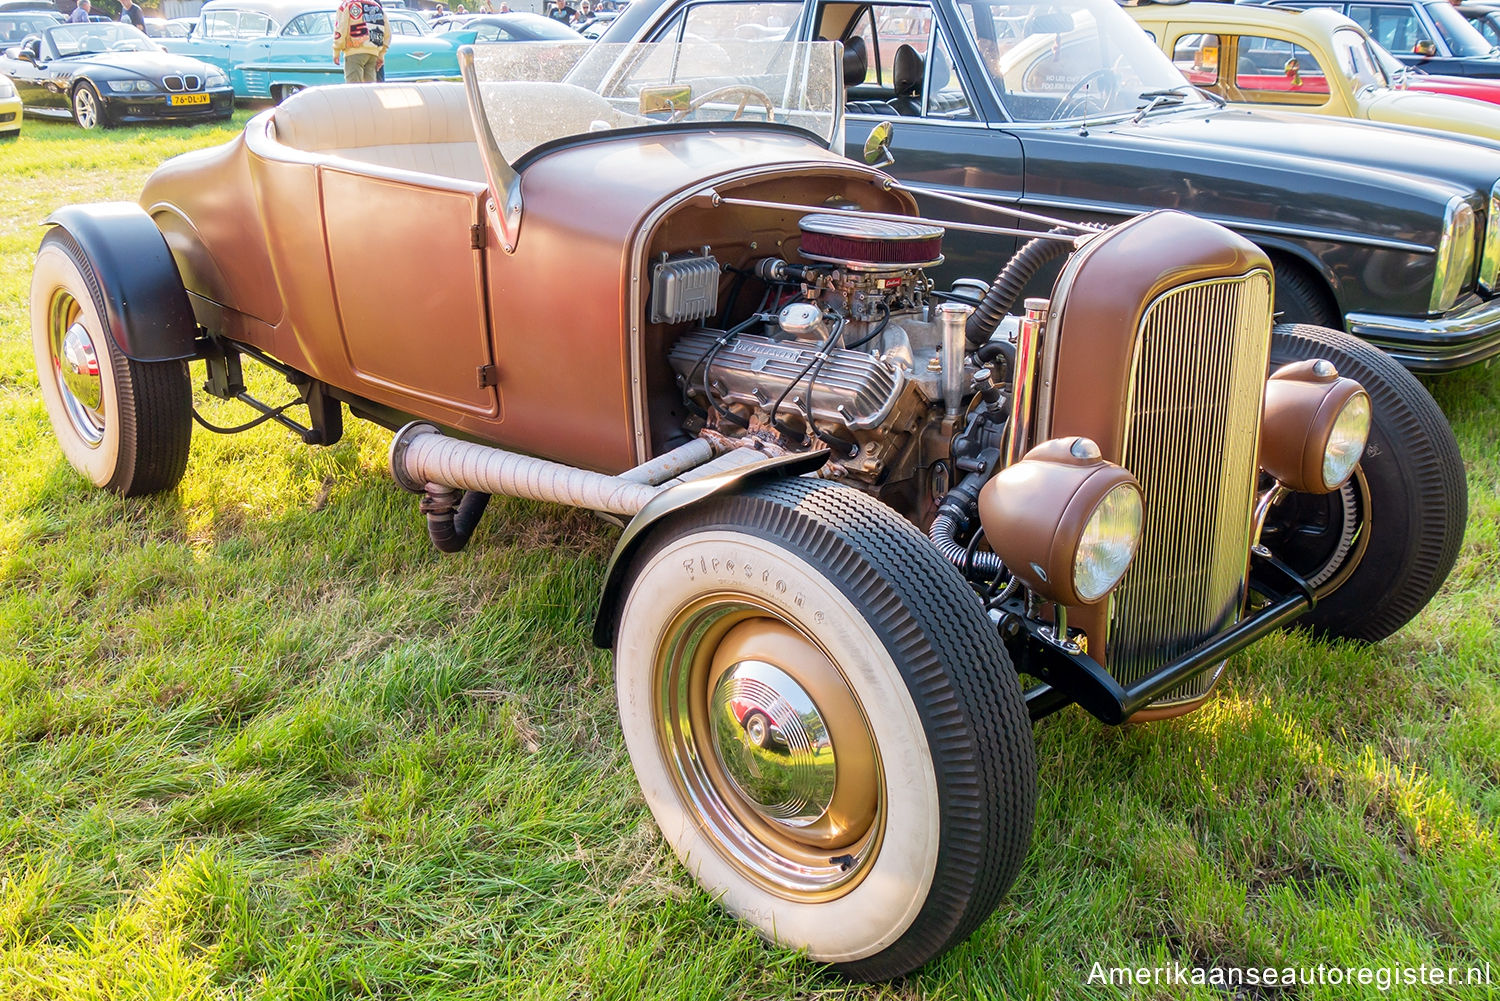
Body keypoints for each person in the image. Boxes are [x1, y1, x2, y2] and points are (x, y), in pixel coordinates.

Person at [332, 0, 390, 83]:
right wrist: (381, 54)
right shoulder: (376, 6)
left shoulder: (347, 5)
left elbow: (341, 29)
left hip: (354, 51)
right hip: (373, 53)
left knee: (354, 88)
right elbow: (387, 32)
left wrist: (336, 50)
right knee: (369, 89)